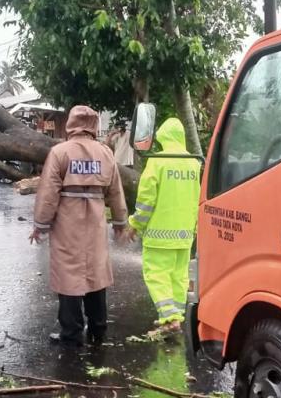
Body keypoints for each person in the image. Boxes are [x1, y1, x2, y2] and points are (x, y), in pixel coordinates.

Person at [30, 105, 129, 346]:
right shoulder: (105, 153)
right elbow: (115, 191)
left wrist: (40, 225)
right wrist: (119, 222)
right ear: (94, 126)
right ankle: (98, 327)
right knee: (95, 272)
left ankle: (71, 332)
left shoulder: (60, 152)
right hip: (95, 222)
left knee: (68, 274)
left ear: (71, 124)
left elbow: (48, 194)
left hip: (67, 222)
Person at [128, 117, 201, 331]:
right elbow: (197, 198)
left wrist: (136, 224)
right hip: (185, 235)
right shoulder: (194, 163)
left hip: (159, 236)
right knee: (179, 277)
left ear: (163, 137)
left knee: (156, 274)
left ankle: (169, 319)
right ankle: (176, 316)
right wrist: (195, 228)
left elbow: (146, 200)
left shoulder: (158, 161)